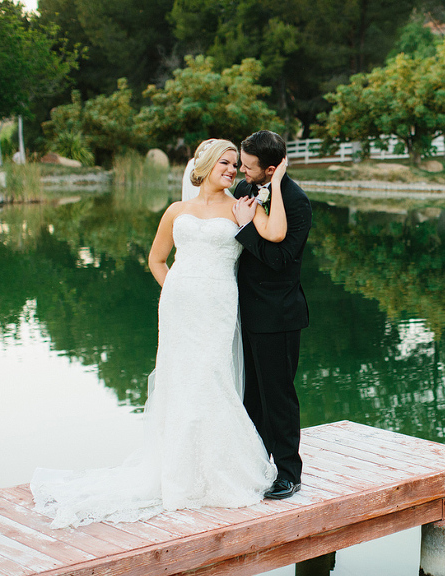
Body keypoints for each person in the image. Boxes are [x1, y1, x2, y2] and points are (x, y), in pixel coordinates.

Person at [31, 138, 277, 527]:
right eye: (225, 163)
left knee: (212, 379)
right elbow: (156, 259)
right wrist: (176, 291)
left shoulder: (241, 208)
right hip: (179, 308)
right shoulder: (176, 210)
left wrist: (272, 190)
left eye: (235, 165)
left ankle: (218, 470)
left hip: (217, 307)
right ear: (206, 165)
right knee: (179, 382)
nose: (232, 170)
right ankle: (176, 471)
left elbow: (274, 239)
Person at [231, 130, 312, 500]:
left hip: (278, 316)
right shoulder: (245, 190)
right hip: (243, 312)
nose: (242, 173)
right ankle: (256, 465)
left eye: (249, 167)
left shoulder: (296, 203)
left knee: (278, 398)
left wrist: (246, 229)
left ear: (271, 168)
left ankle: (289, 474)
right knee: (252, 398)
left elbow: (280, 260)